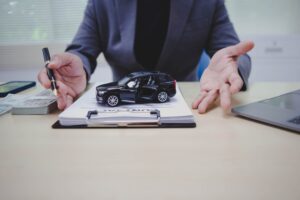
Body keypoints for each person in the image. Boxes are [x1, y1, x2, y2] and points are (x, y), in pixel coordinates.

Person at [38, 0, 254, 113]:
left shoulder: (207, 2)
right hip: (122, 122)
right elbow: (82, 50)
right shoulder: (102, 2)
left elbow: (232, 51)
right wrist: (77, 65)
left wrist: (232, 66)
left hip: (191, 110)